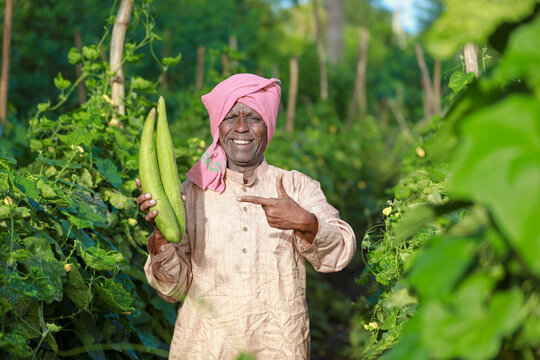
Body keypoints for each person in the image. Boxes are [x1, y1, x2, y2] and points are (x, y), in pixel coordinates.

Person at [136, 73, 356, 359]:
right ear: (218, 127)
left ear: (268, 125)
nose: (241, 127)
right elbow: (172, 289)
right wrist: (161, 237)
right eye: (231, 118)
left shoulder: (296, 187)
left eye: (252, 117)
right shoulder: (190, 194)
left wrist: (305, 222)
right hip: (205, 348)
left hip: (279, 347)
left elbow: (340, 253)